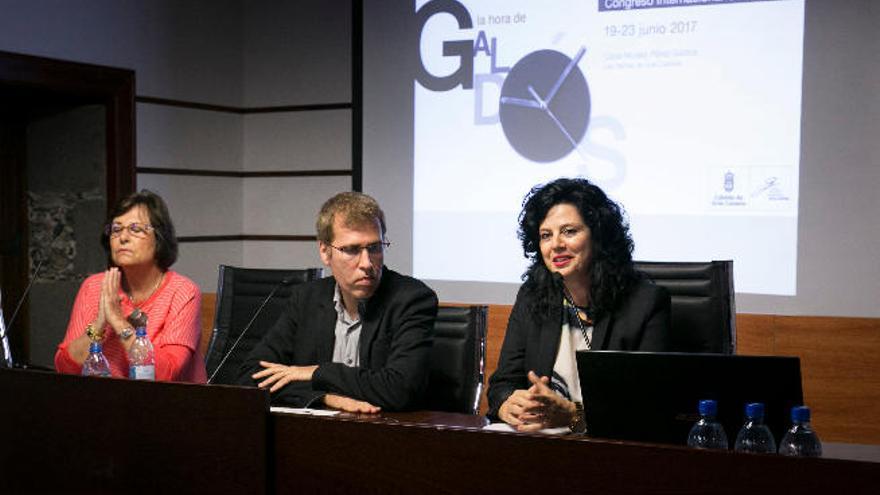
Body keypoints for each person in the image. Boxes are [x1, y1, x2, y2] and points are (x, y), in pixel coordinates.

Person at [487, 177, 670, 432]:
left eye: (569, 231)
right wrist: (508, 404)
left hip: (609, 451)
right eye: (545, 235)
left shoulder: (645, 304)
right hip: (539, 441)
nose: (556, 245)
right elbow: (502, 384)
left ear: (599, 237)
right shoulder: (533, 296)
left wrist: (573, 416)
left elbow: (646, 409)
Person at [237, 192, 438, 413]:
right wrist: (324, 398)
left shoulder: (411, 299)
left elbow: (399, 389)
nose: (367, 263)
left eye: (375, 248)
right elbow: (251, 377)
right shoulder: (307, 299)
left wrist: (317, 372)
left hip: (386, 434)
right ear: (325, 251)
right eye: (351, 250)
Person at [55, 190, 206, 382]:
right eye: (116, 229)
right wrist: (100, 325)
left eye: (135, 229)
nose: (123, 237)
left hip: (169, 406)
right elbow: (64, 367)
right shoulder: (95, 287)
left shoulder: (183, 292)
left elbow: (166, 375)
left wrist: (118, 322)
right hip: (107, 404)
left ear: (159, 238)